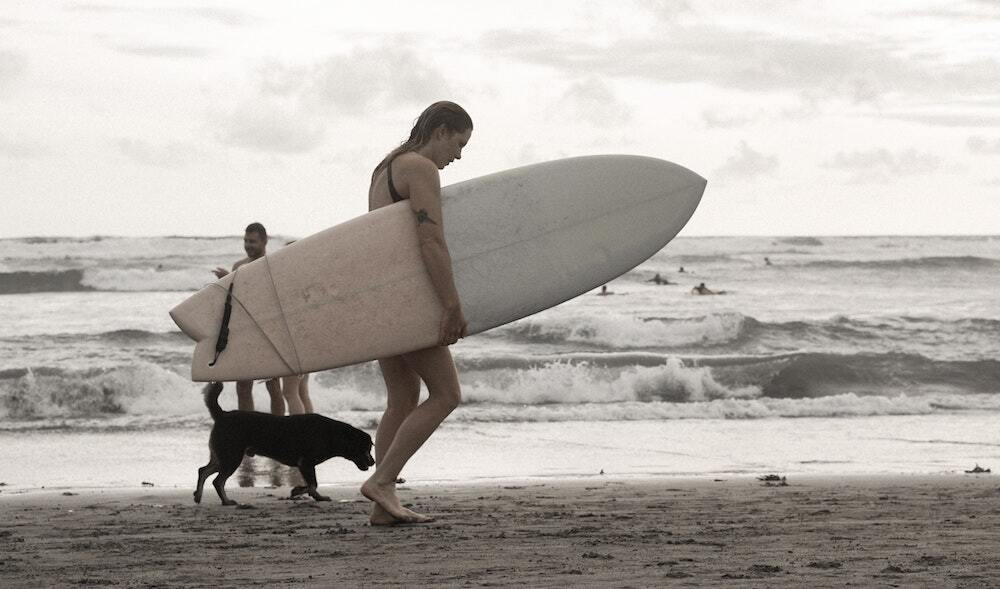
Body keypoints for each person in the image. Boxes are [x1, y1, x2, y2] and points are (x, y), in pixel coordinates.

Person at [360, 101, 471, 525]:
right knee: (446, 395)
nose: (457, 155)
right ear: (441, 130)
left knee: (402, 400)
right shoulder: (422, 170)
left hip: (381, 295)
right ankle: (382, 482)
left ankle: (381, 509)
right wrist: (450, 303)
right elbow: (430, 240)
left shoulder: (385, 168)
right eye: (459, 143)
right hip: (408, 297)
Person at [213, 223, 284, 415]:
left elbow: (267, 298)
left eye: (252, 241)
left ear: (264, 241)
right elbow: (234, 302)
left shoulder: (272, 264)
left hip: (269, 332)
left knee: (273, 386)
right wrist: (224, 283)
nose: (248, 245)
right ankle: (249, 430)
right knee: (243, 385)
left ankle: (278, 431)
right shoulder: (239, 266)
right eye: (245, 240)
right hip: (244, 332)